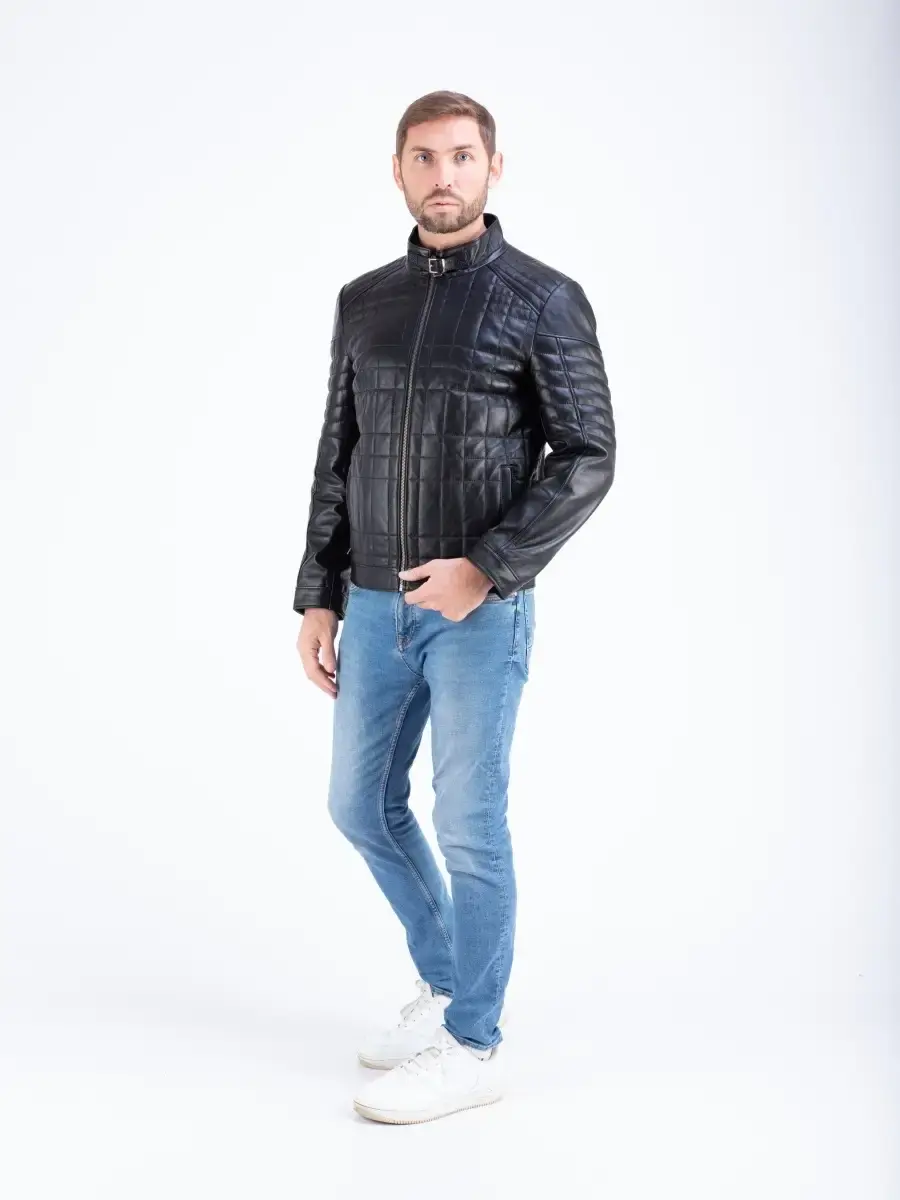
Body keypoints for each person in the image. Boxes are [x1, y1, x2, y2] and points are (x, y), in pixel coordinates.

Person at [293, 89, 616, 1124]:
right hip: (372, 603)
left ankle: (475, 1042)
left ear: (493, 168)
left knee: (470, 825)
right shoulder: (363, 301)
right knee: (359, 805)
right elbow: (337, 455)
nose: (444, 175)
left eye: (462, 156)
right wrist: (317, 595)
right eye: (425, 157)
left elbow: (588, 455)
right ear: (398, 171)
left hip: (480, 613)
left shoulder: (543, 298)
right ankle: (445, 987)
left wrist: (487, 567)